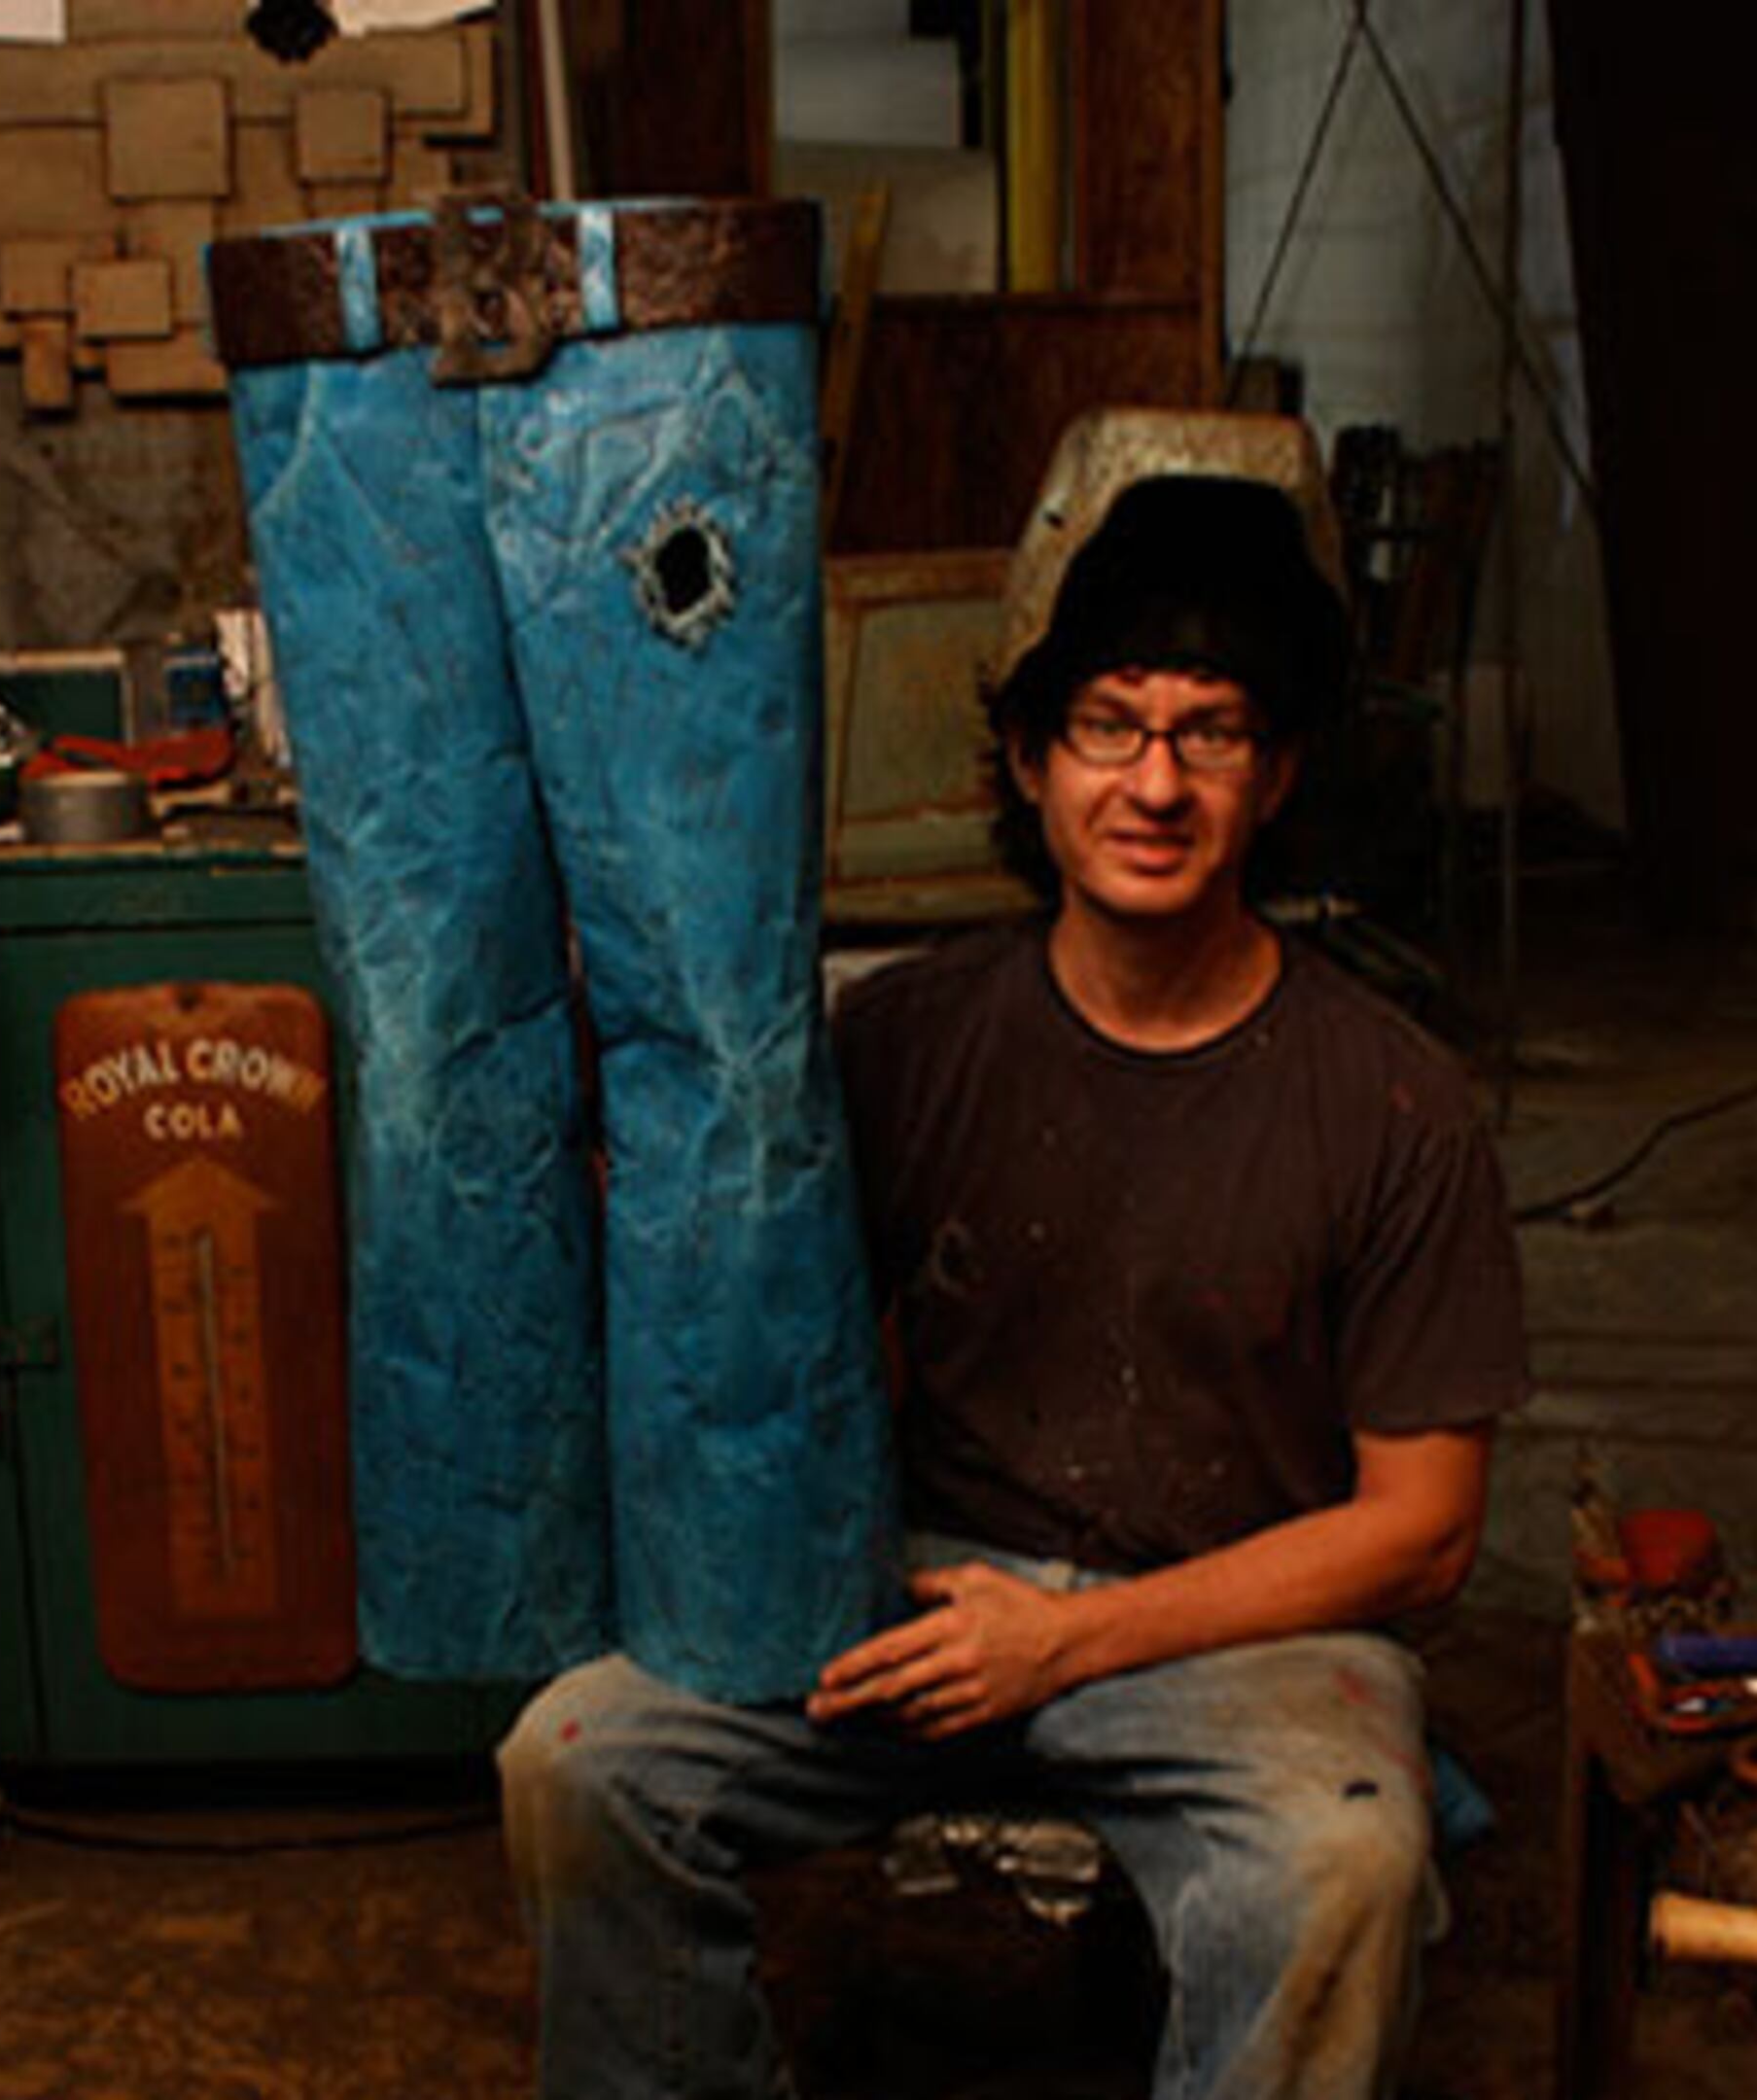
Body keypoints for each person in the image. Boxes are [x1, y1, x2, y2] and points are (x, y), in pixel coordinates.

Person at [496, 409, 1530, 2100]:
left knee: (1342, 1863)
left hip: (1233, 1628)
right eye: (1109, 728)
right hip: (923, 1588)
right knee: (580, 1763)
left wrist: (1069, 1643)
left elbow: (1420, 1535)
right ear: (1030, 762)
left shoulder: (1394, 1101)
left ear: (1273, 780)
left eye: (1209, 735)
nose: (1155, 782)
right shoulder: (906, 1037)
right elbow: (752, 1340)